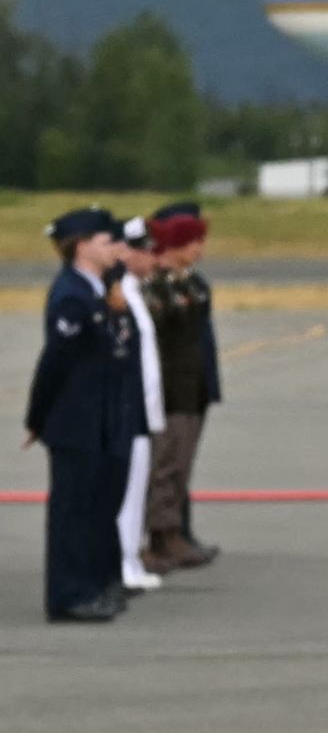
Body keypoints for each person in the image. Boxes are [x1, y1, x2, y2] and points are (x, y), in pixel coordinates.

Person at [25, 208, 140, 623]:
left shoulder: (97, 289)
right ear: (82, 246)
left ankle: (96, 583)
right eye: (107, 241)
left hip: (102, 417)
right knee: (74, 512)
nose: (116, 248)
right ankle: (70, 595)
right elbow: (56, 361)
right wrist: (37, 417)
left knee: (98, 506)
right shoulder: (71, 295)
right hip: (76, 419)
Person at [144, 212, 216, 572]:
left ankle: (172, 531)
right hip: (168, 389)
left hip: (190, 387)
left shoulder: (189, 283)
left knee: (180, 465)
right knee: (164, 464)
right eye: (193, 242)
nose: (200, 249)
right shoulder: (155, 286)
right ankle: (159, 535)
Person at [113, 217, 168, 593]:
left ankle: (129, 561)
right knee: (124, 494)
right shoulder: (118, 294)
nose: (152, 258)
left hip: (141, 409)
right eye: (144, 251)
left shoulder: (133, 291)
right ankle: (121, 563)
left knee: (134, 493)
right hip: (127, 409)